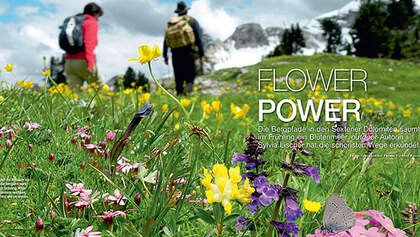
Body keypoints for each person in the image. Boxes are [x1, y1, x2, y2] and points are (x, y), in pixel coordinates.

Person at [163, 1, 205, 96]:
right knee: (190, 76)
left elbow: (165, 40)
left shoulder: (171, 23)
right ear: (186, 10)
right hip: (188, 51)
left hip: (175, 53)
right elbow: (198, 38)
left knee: (178, 76)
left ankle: (179, 95)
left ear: (177, 11)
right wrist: (202, 54)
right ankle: (186, 94)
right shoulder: (191, 21)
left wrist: (165, 56)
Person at [65, 2, 103, 91]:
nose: (98, 19)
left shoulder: (76, 22)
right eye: (98, 16)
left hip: (69, 63)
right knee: (101, 90)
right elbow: (89, 43)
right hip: (83, 61)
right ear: (95, 13)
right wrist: (90, 62)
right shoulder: (91, 22)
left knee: (73, 95)